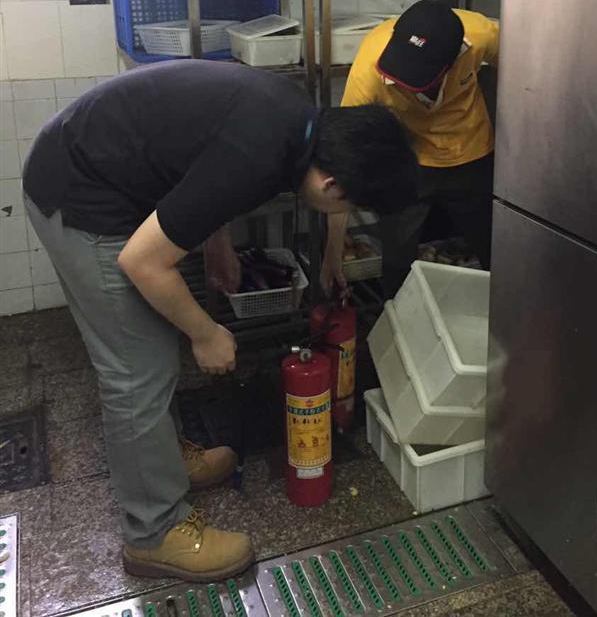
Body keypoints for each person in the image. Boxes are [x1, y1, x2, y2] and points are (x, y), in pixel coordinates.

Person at [22, 60, 416, 584]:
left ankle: (162, 460)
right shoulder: (259, 154)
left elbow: (204, 163)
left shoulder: (296, 120)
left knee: (153, 341)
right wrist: (206, 334)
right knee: (137, 368)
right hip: (78, 194)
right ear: (330, 184)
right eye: (348, 204)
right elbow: (142, 261)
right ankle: (153, 533)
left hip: (97, 166)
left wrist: (216, 241)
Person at [321, 0, 499, 298]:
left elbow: (525, 67)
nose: (402, 85)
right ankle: (399, 319)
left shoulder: (480, 34)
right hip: (408, 162)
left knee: (494, 249)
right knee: (397, 261)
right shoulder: (370, 66)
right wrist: (333, 249)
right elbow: (346, 161)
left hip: (471, 154)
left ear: (451, 63)